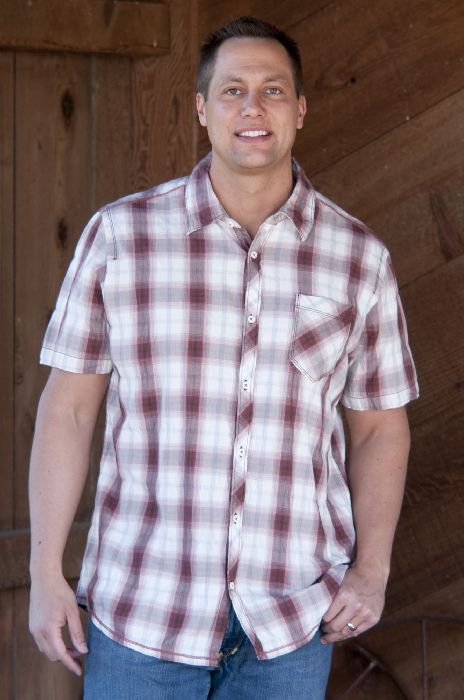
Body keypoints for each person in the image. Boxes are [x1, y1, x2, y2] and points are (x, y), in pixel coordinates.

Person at [28, 15, 419, 700]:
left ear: (300, 110)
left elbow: (380, 428)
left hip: (291, 622)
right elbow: (68, 411)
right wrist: (44, 573)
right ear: (203, 109)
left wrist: (372, 569)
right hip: (142, 612)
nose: (253, 107)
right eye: (233, 90)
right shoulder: (120, 238)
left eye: (273, 90)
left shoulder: (359, 259)